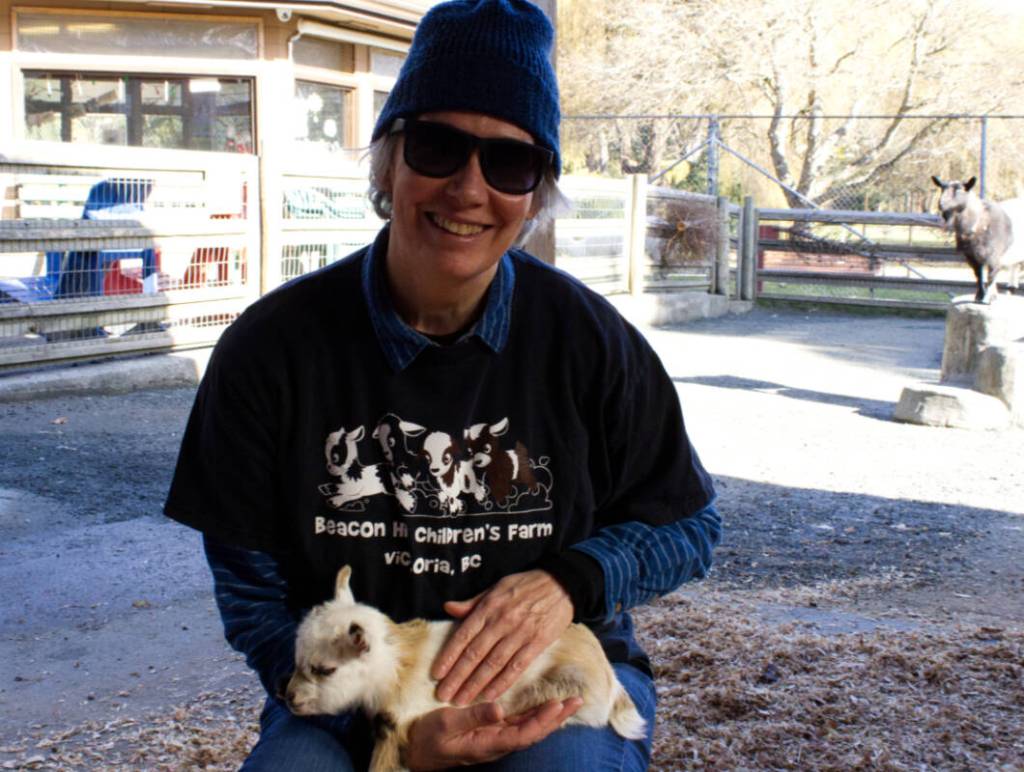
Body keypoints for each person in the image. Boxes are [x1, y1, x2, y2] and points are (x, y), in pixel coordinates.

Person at [164, 0, 721, 769]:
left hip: (546, 675)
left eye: (510, 162)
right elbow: (253, 594)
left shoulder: (591, 342)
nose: (468, 188)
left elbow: (690, 527)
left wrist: (573, 579)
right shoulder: (271, 350)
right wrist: (384, 726)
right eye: (436, 146)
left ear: (535, 195)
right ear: (388, 163)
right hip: (356, 696)